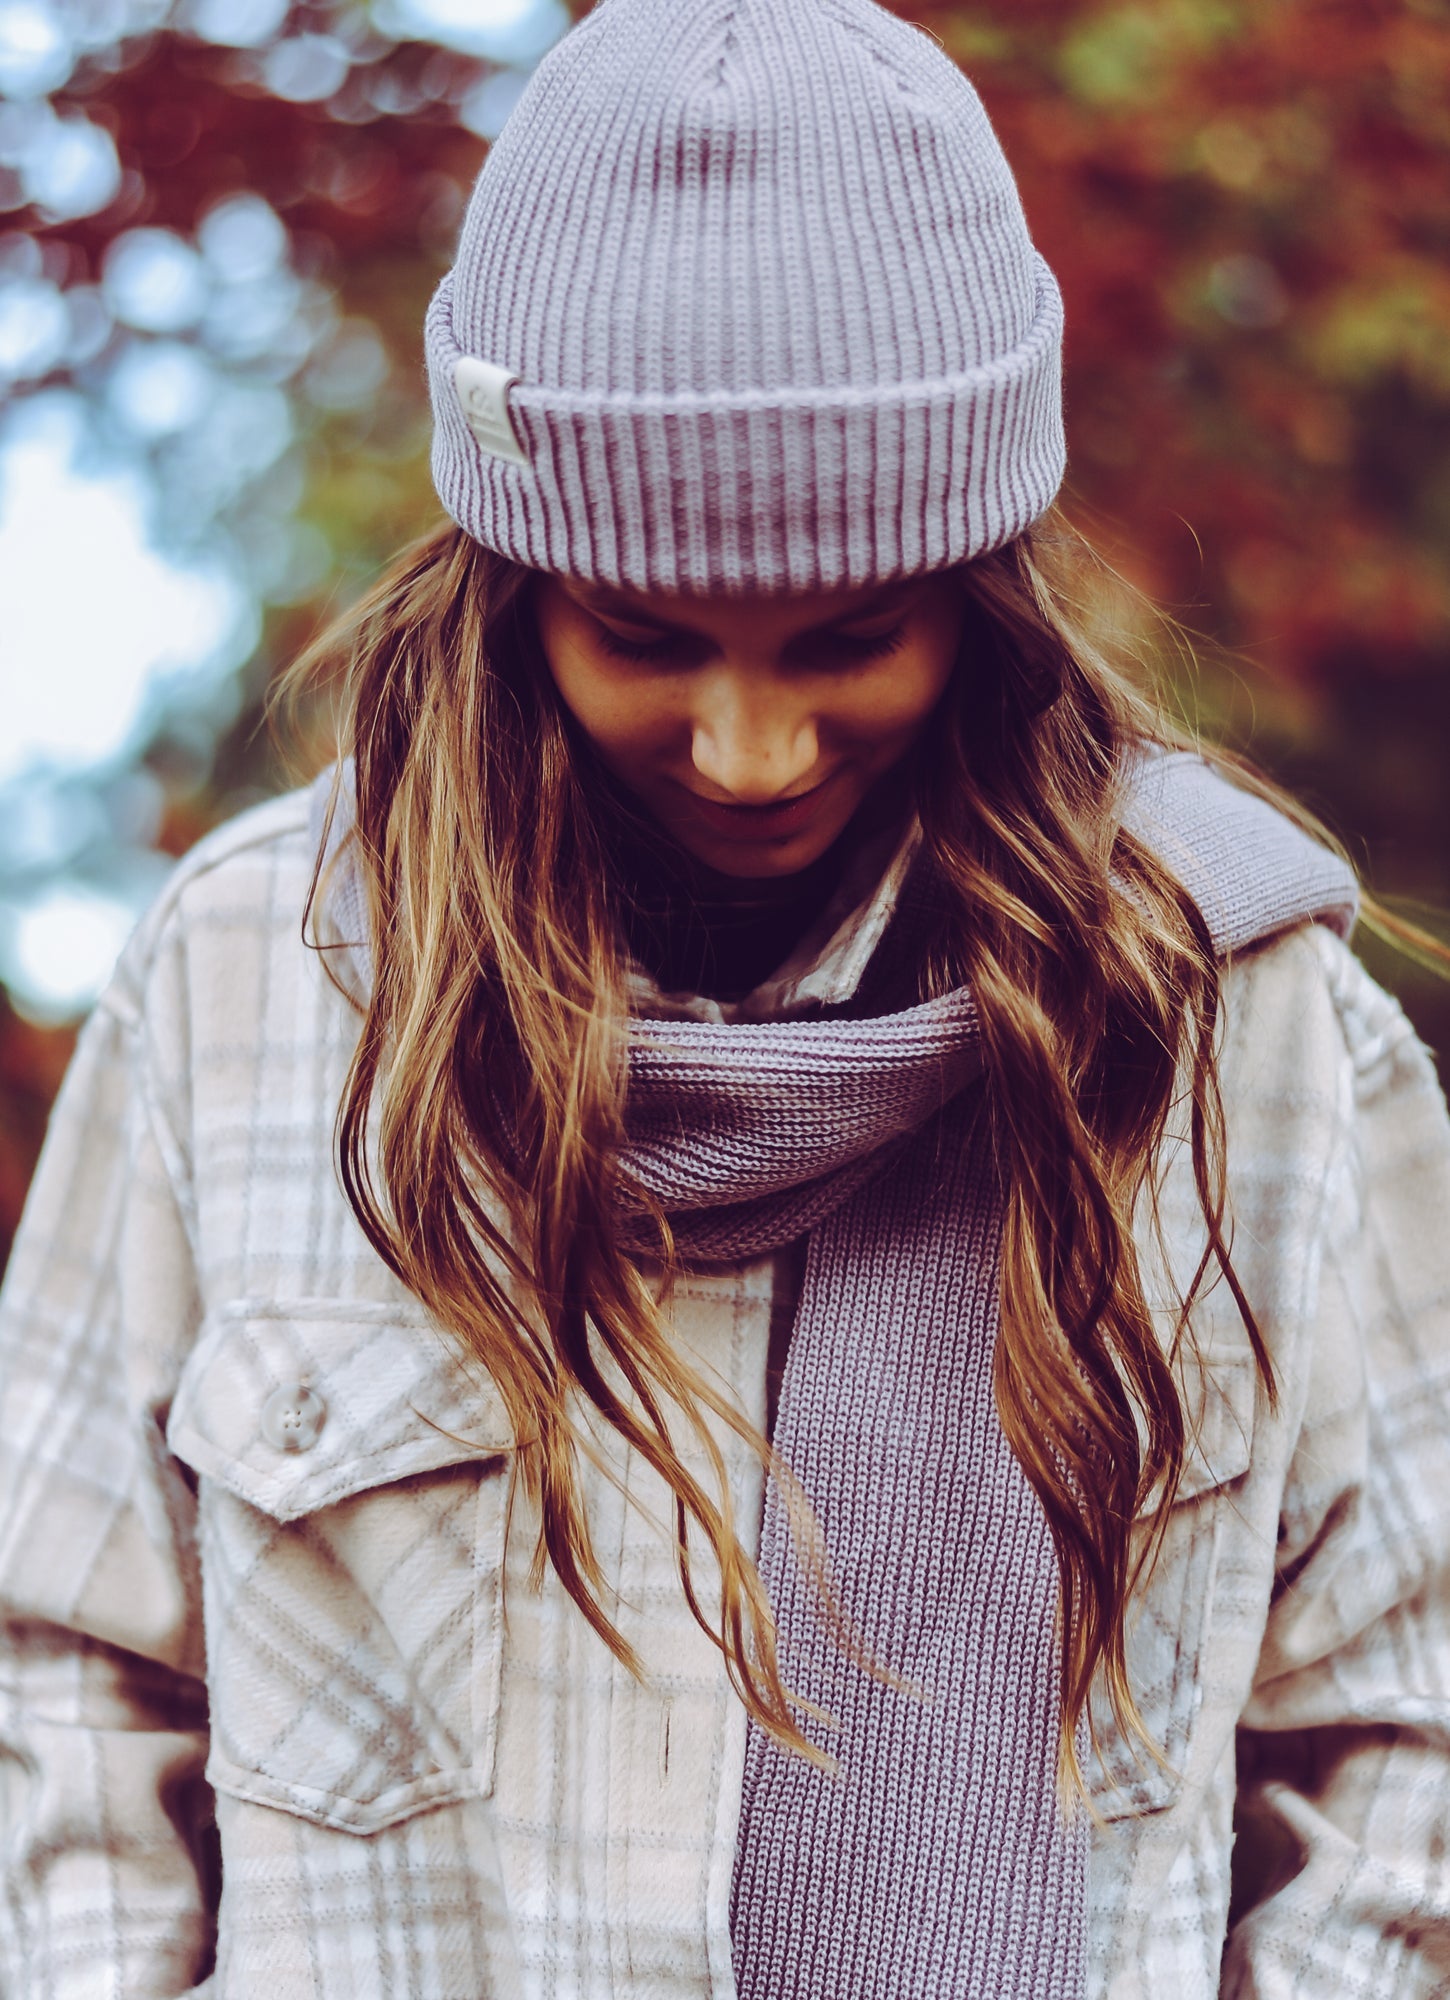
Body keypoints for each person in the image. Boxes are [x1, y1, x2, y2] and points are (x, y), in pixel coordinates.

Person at [2, 0, 1449, 1994]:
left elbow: (1400, 1725)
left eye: (850, 637)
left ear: (971, 585)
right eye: (646, 637)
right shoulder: (251, 983)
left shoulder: (1235, 1032)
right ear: (515, 585)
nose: (754, 747)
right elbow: (64, 1672)